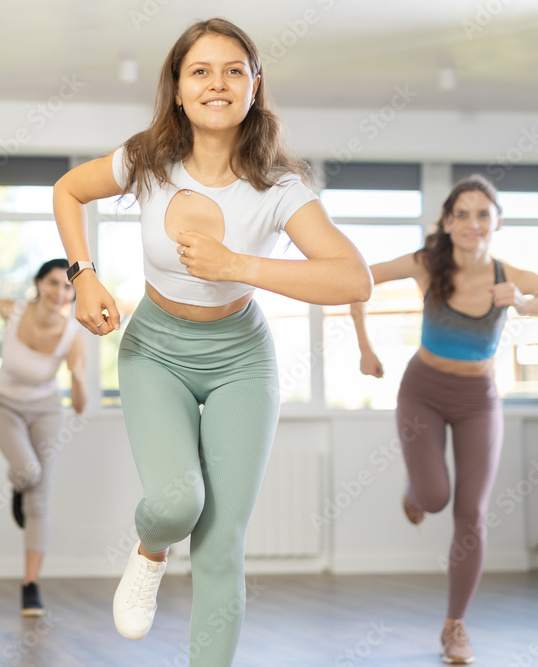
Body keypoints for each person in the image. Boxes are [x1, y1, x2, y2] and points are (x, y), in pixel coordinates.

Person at [52, 18, 371, 666]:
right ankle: (149, 550)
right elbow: (68, 190)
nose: (217, 83)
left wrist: (239, 267)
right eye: (200, 70)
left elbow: (353, 277)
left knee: (222, 543)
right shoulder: (146, 159)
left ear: (255, 86)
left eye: (234, 70)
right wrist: (84, 275)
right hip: (155, 351)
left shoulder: (280, 188)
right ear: (177, 88)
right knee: (175, 503)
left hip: (241, 360)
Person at [350, 174, 538, 664]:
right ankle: (417, 493)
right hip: (423, 392)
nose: (473, 222)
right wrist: (365, 347)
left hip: (479, 399)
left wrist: (525, 302)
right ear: (448, 222)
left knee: (471, 513)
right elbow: (356, 280)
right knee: (435, 496)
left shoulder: (508, 275)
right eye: (463, 213)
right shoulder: (425, 264)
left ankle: (454, 627)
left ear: (497, 221)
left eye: (484, 213)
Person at [0, 259, 87, 616]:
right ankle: (18, 482)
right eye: (53, 283)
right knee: (28, 471)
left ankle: (30, 586)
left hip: (46, 411)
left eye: (68, 287)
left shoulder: (73, 335)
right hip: (1, 405)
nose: (60, 292)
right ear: (39, 284)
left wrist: (78, 378)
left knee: (39, 499)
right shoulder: (15, 311)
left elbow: (81, 407)